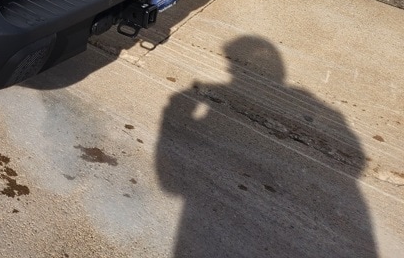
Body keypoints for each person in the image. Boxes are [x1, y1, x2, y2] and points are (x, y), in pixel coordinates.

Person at [156, 35, 377, 257]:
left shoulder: (323, 111)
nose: (231, 68)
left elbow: (169, 185)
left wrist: (174, 107)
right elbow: (358, 161)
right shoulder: (326, 111)